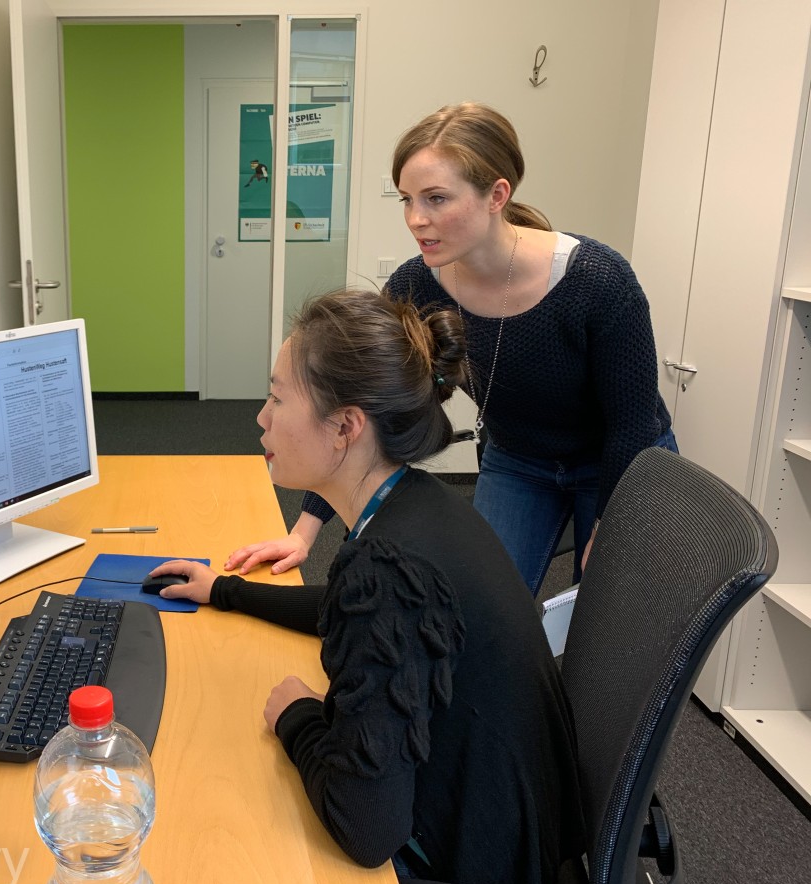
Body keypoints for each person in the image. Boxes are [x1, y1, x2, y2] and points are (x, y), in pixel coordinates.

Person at [150, 289, 585, 884]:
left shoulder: (388, 568)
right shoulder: (420, 508)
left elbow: (366, 827)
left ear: (346, 428)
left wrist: (298, 717)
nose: (261, 417)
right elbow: (351, 609)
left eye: (277, 397)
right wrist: (226, 592)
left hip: (477, 867)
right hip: (512, 823)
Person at [227, 102, 677, 597]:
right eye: (407, 199)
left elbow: (632, 425)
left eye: (437, 198)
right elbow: (366, 406)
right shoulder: (417, 285)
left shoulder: (596, 279)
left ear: (496, 195)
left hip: (619, 458)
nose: (416, 219)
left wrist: (609, 527)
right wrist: (303, 532)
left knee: (603, 614)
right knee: (474, 601)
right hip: (519, 459)